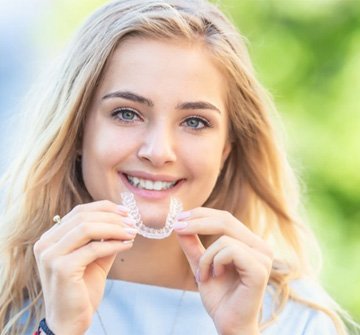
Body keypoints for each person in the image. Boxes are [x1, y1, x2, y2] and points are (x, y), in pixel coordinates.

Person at [0, 0, 357, 334]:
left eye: (195, 122)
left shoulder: (297, 318)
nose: (158, 152)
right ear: (77, 132)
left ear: (226, 150)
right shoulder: (11, 302)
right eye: (127, 113)